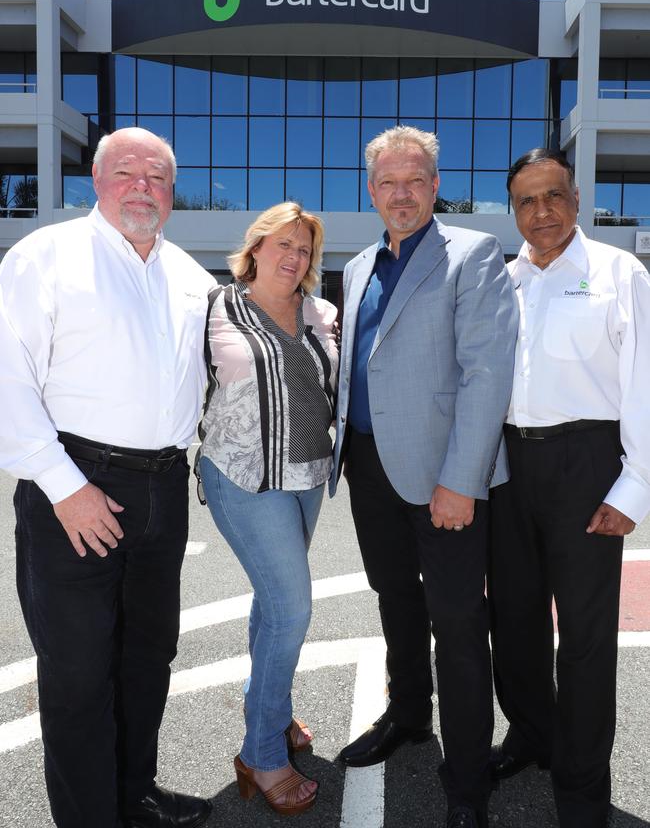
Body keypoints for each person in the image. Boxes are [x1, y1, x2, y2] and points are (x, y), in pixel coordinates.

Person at [0, 128, 215, 828]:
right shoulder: (46, 257)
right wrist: (64, 487)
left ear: (172, 192)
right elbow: (8, 382)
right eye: (127, 173)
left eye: (158, 177)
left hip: (163, 488)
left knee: (148, 656)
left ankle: (134, 792)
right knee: (77, 674)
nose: (143, 188)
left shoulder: (190, 276)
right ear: (98, 181)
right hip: (74, 484)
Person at [332, 125, 518, 828]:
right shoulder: (356, 266)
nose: (401, 194)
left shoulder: (472, 254)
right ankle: (410, 716)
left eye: (414, 181)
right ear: (371, 190)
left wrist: (461, 480)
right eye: (387, 182)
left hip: (445, 475)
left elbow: (486, 373)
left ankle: (467, 781)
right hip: (370, 466)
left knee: (459, 623)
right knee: (394, 602)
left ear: (435, 186)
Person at [488, 149, 650, 828]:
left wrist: (632, 488)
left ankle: (582, 789)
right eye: (527, 201)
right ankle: (530, 734)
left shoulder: (620, 273)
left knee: (583, 639)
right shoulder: (503, 280)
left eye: (553, 196)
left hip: (586, 466)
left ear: (576, 201)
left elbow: (645, 385)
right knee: (515, 621)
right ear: (514, 210)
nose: (542, 212)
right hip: (507, 467)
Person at [197, 202, 339, 817]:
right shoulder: (214, 307)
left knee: (271, 603)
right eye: (282, 244)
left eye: (304, 249)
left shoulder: (322, 312)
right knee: (292, 607)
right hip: (244, 477)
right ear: (255, 248)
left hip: (307, 477)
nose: (294, 257)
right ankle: (261, 753)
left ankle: (272, 714)